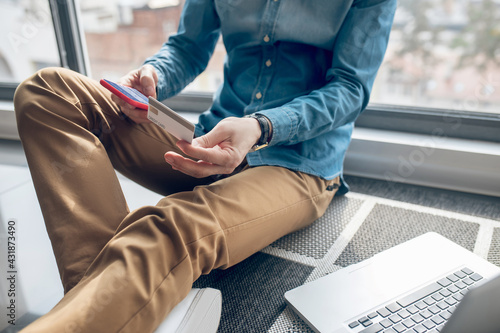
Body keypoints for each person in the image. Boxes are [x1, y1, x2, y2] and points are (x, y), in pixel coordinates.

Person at [13, 0, 396, 331]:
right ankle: (120, 304)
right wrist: (155, 74)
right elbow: (188, 47)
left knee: (169, 227)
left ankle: (116, 304)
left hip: (297, 162)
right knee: (46, 91)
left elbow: (349, 89)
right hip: (210, 140)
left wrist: (262, 126)